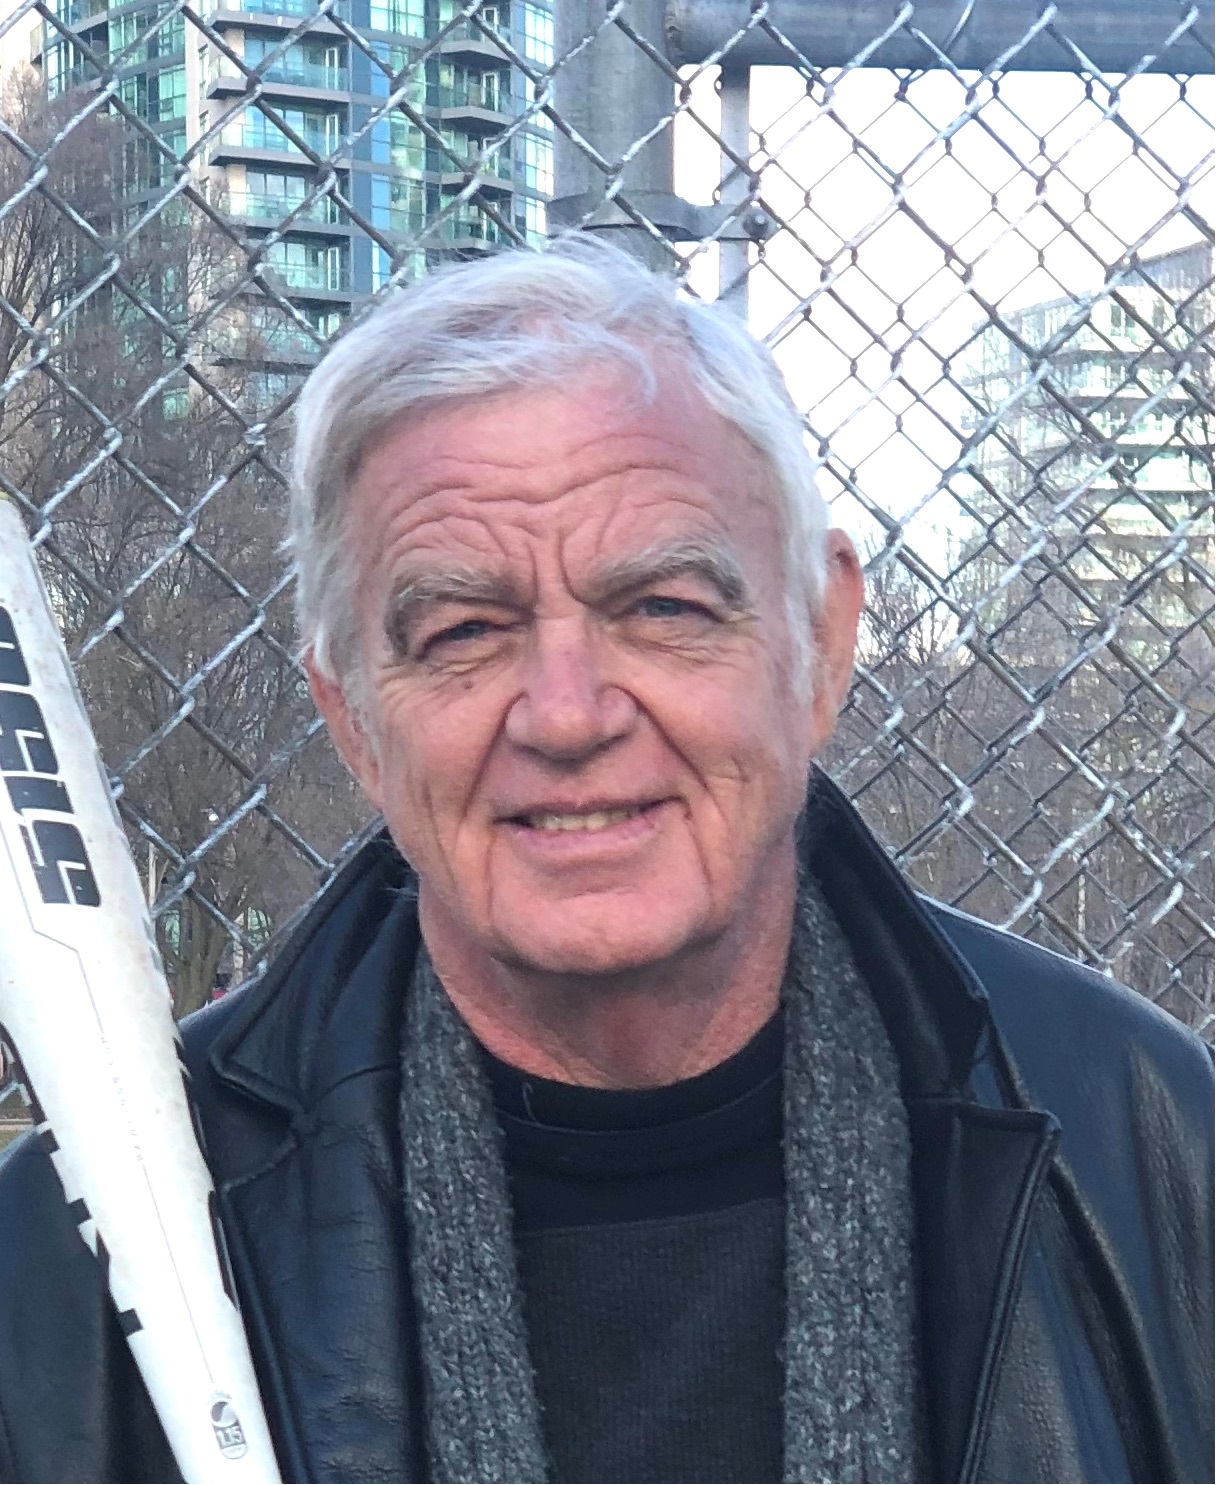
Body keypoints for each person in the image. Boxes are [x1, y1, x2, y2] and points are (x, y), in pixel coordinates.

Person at [0, 235, 1210, 1485]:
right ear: (352, 716)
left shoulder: (1146, 1139)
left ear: (822, 642)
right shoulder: (66, 1257)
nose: (568, 715)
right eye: (464, 631)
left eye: (664, 609)